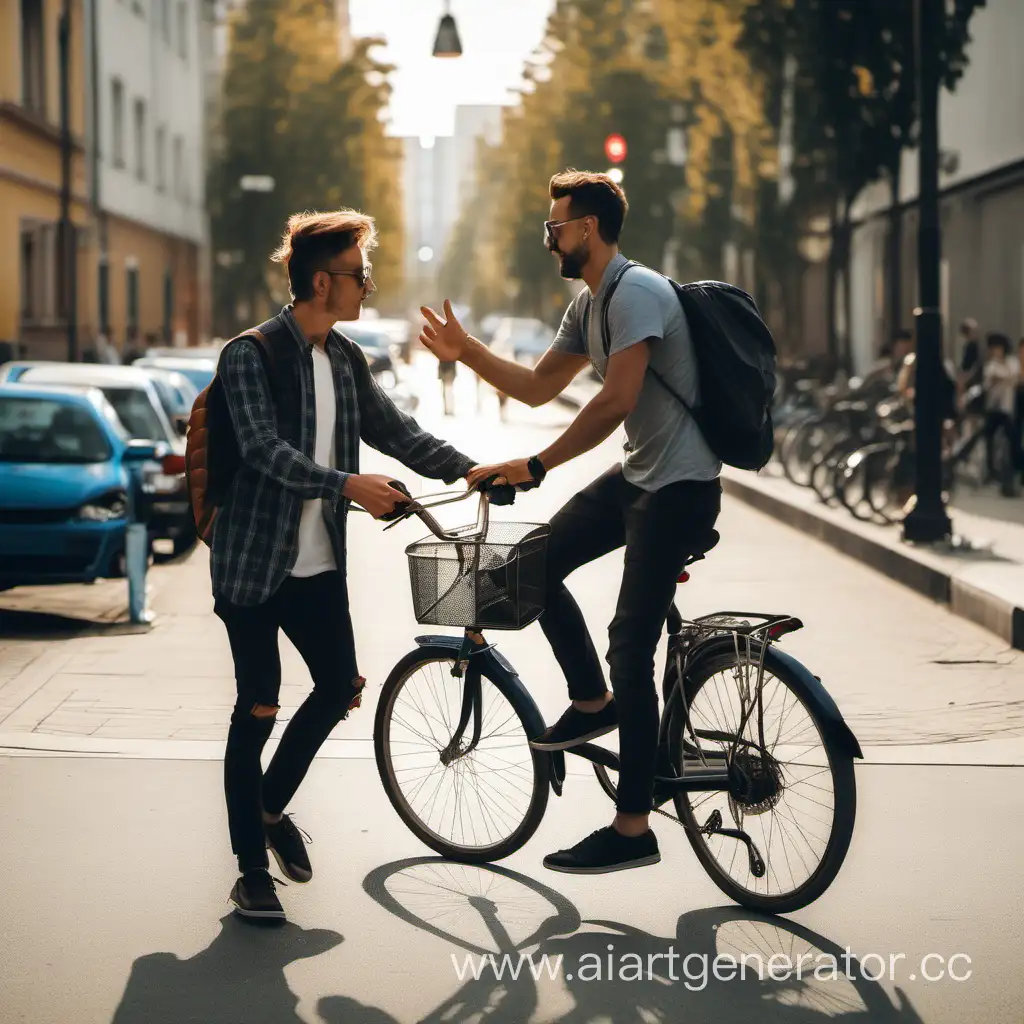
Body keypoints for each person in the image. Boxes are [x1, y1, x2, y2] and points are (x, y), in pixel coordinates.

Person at [419, 169, 722, 874]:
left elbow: (616, 400)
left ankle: (632, 828)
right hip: (642, 477)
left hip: (678, 490)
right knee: (532, 564)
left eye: (554, 226)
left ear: (586, 228)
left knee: (629, 644)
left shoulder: (636, 293)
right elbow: (534, 388)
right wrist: (468, 354)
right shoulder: (589, 305)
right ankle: (591, 703)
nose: (547, 239)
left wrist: (539, 465)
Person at [213, 210, 476, 921]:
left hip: (319, 566)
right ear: (322, 281)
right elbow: (265, 450)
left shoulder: (344, 359)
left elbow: (397, 433)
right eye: (360, 274)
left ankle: (266, 809)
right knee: (259, 705)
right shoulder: (251, 355)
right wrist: (345, 484)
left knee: (337, 689)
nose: (369, 286)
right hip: (251, 568)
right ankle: (250, 874)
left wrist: (476, 470)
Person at [981, 332, 1021, 493]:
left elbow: (1016, 377)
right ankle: (991, 470)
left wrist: (1004, 378)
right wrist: (1006, 378)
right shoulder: (991, 365)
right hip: (993, 408)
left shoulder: (1012, 362)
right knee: (989, 439)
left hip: (1008, 407)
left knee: (1011, 440)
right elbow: (991, 380)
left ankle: (1011, 471)